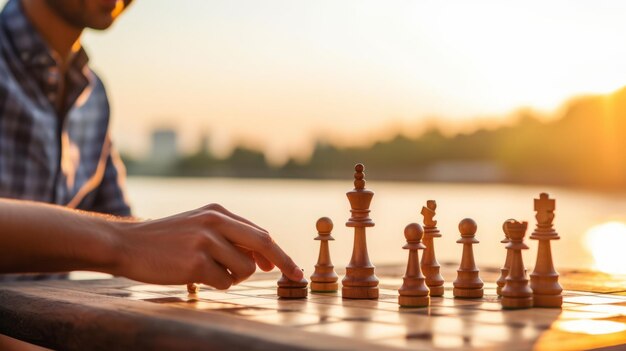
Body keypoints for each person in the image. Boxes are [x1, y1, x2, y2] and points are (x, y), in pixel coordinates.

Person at [0, 0, 303, 284]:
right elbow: (131, 238)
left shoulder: (94, 98)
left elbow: (126, 225)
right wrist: (127, 242)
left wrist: (186, 244)